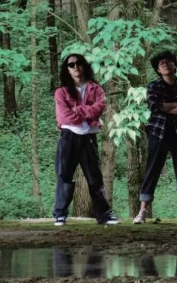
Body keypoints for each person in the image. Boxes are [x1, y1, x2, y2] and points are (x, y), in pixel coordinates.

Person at [53, 53, 119, 226]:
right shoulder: (61, 91)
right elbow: (65, 116)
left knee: (94, 177)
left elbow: (99, 108)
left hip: (89, 136)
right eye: (71, 64)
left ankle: (104, 215)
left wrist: (77, 111)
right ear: (67, 69)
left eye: (79, 63)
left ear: (84, 65)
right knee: (64, 176)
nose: (75, 67)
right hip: (69, 136)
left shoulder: (96, 89)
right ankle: (60, 214)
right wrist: (87, 112)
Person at [133, 51, 177, 225]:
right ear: (158, 69)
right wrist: (176, 105)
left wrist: (167, 106)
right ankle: (142, 211)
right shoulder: (154, 86)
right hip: (158, 132)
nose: (165, 65)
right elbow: (153, 105)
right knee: (152, 169)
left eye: (168, 62)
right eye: (161, 63)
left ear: (174, 65)